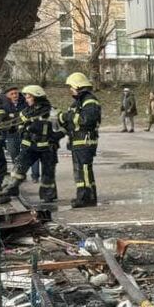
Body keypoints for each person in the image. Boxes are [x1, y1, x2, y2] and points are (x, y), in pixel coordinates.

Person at [0, 85, 60, 204]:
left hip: (48, 148)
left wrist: (53, 138)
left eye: (28, 97)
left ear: (36, 97)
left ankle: (48, 195)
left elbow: (60, 129)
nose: (26, 99)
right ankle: (12, 188)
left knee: (48, 173)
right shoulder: (26, 112)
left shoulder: (52, 112)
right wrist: (19, 129)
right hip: (30, 147)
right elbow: (16, 124)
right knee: (19, 167)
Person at [60, 72, 102, 208]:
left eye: (71, 87)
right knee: (80, 170)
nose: (70, 90)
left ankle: (86, 198)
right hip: (77, 141)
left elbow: (87, 120)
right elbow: (70, 122)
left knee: (83, 169)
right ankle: (84, 196)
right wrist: (63, 119)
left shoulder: (89, 100)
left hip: (85, 141)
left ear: (77, 86)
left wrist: (67, 117)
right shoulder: (77, 102)